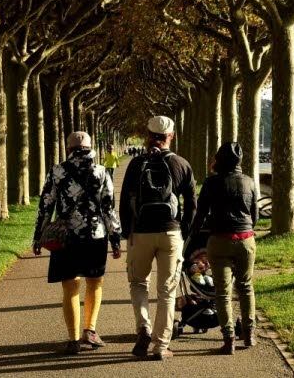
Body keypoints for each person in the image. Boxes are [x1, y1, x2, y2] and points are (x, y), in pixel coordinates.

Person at [32, 131, 122, 355]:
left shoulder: (57, 171)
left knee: (70, 286)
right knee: (94, 282)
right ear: (90, 147)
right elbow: (108, 208)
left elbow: (46, 205)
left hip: (65, 236)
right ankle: (90, 330)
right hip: (95, 235)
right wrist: (116, 238)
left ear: (69, 149)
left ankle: (72, 339)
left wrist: (38, 236)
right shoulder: (101, 171)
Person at [119, 115, 196, 361]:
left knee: (139, 283)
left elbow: (123, 202)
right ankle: (161, 346)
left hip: (140, 232)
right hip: (171, 233)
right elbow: (192, 204)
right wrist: (183, 231)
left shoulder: (136, 164)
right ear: (171, 136)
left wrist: (126, 231)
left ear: (147, 135)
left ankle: (143, 327)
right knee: (167, 290)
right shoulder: (182, 164)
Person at [194, 142, 259, 354]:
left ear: (219, 159)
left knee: (222, 292)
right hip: (246, 239)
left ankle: (229, 338)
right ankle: (249, 334)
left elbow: (200, 214)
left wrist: (193, 233)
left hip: (219, 240)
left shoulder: (212, 183)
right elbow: (255, 216)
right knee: (246, 286)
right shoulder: (249, 182)